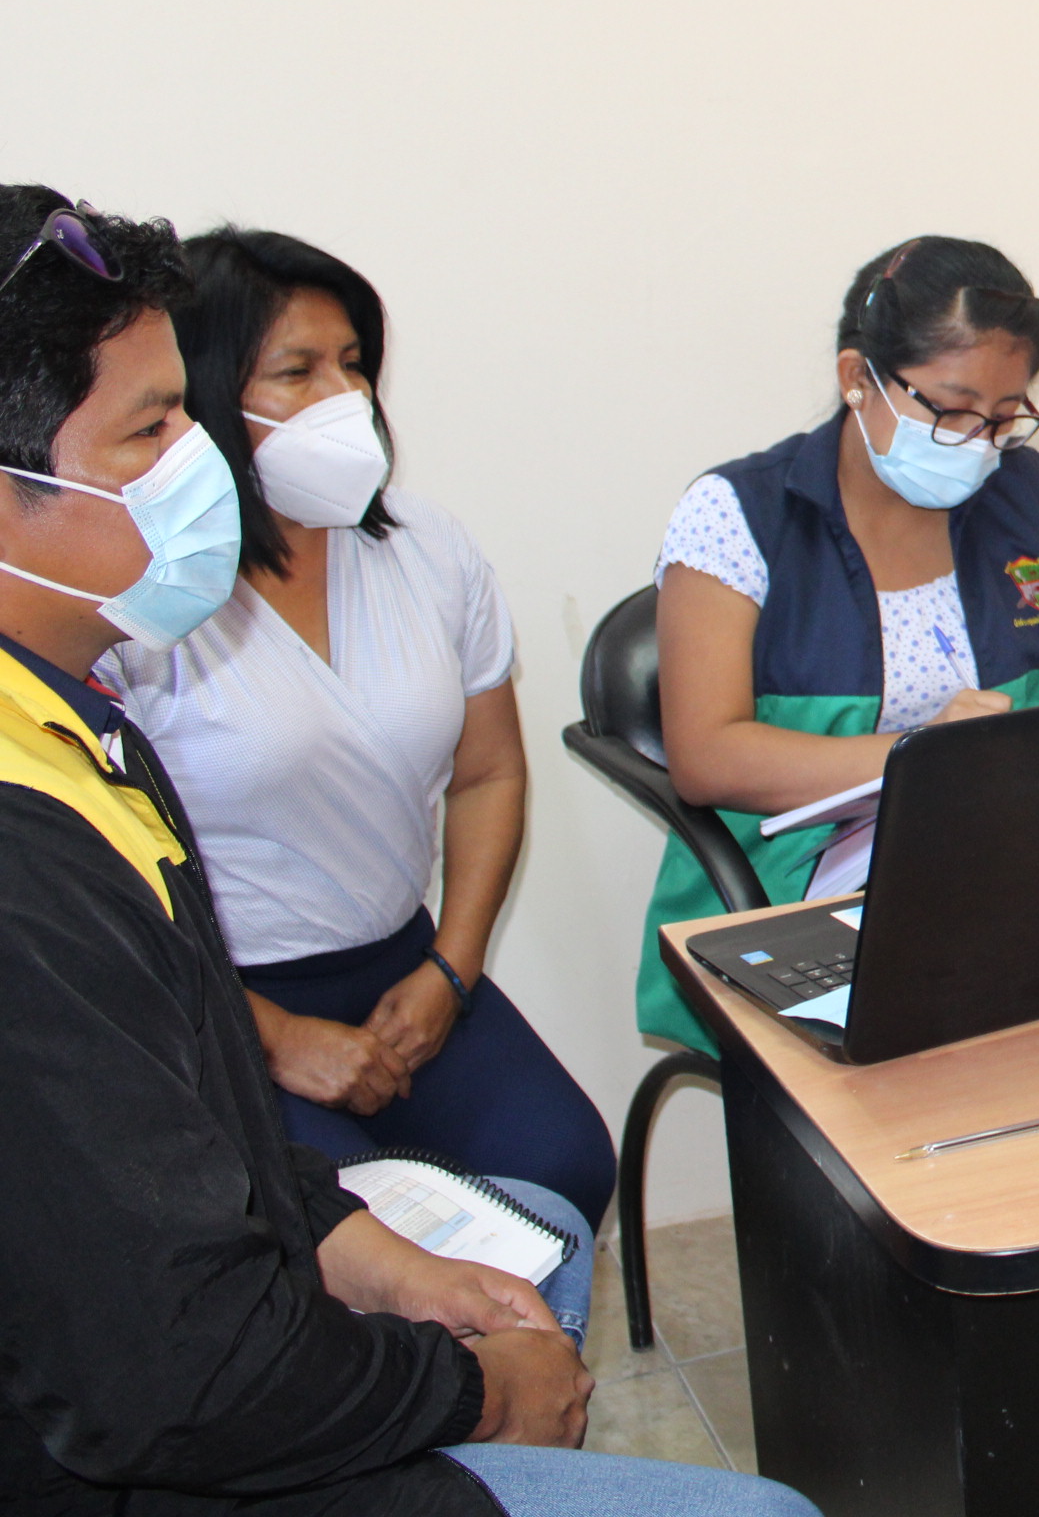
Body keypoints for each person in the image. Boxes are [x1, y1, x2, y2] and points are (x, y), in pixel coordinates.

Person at [0, 185, 818, 1516]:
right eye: (152, 429)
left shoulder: (71, 710)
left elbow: (201, 1148)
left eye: (355, 365)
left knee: (546, 1184)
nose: (194, 458)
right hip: (149, 1446)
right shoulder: (33, 840)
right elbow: (183, 1360)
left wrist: (376, 1218)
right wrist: (469, 1390)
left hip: (393, 975)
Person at [108, 228, 617, 1248]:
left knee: (561, 1165)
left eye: (354, 365)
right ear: (203, 395)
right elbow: (108, 879)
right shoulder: (143, 595)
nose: (344, 398)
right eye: (297, 371)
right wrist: (273, 1037)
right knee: (342, 1239)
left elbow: (487, 775)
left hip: (406, 969)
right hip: (222, 998)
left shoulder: (427, 548)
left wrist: (451, 972)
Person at [640, 234, 1039, 1048]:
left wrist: (1036, 758)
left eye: (1004, 416)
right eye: (950, 408)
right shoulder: (739, 515)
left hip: (1000, 855)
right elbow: (706, 755)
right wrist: (926, 760)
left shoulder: (1024, 499)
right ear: (857, 378)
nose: (979, 441)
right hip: (802, 893)